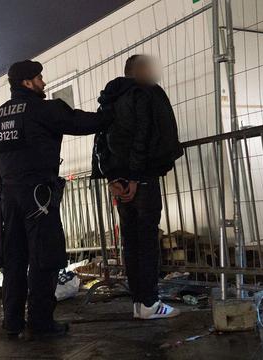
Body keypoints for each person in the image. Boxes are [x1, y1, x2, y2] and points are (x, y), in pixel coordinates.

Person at [0, 60, 111, 338]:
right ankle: (40, 323)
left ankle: (12, 322)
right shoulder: (43, 109)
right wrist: (110, 112)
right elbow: (82, 122)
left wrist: (2, 190)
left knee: (15, 260)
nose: (43, 82)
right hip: (38, 196)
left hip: (9, 199)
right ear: (27, 83)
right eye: (39, 78)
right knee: (44, 258)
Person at [92, 54, 183, 319]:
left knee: (131, 241)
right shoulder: (143, 94)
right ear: (139, 71)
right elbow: (144, 134)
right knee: (146, 240)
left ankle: (139, 302)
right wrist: (134, 176)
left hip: (119, 181)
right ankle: (150, 303)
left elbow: (100, 141)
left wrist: (112, 178)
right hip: (140, 178)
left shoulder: (109, 99)